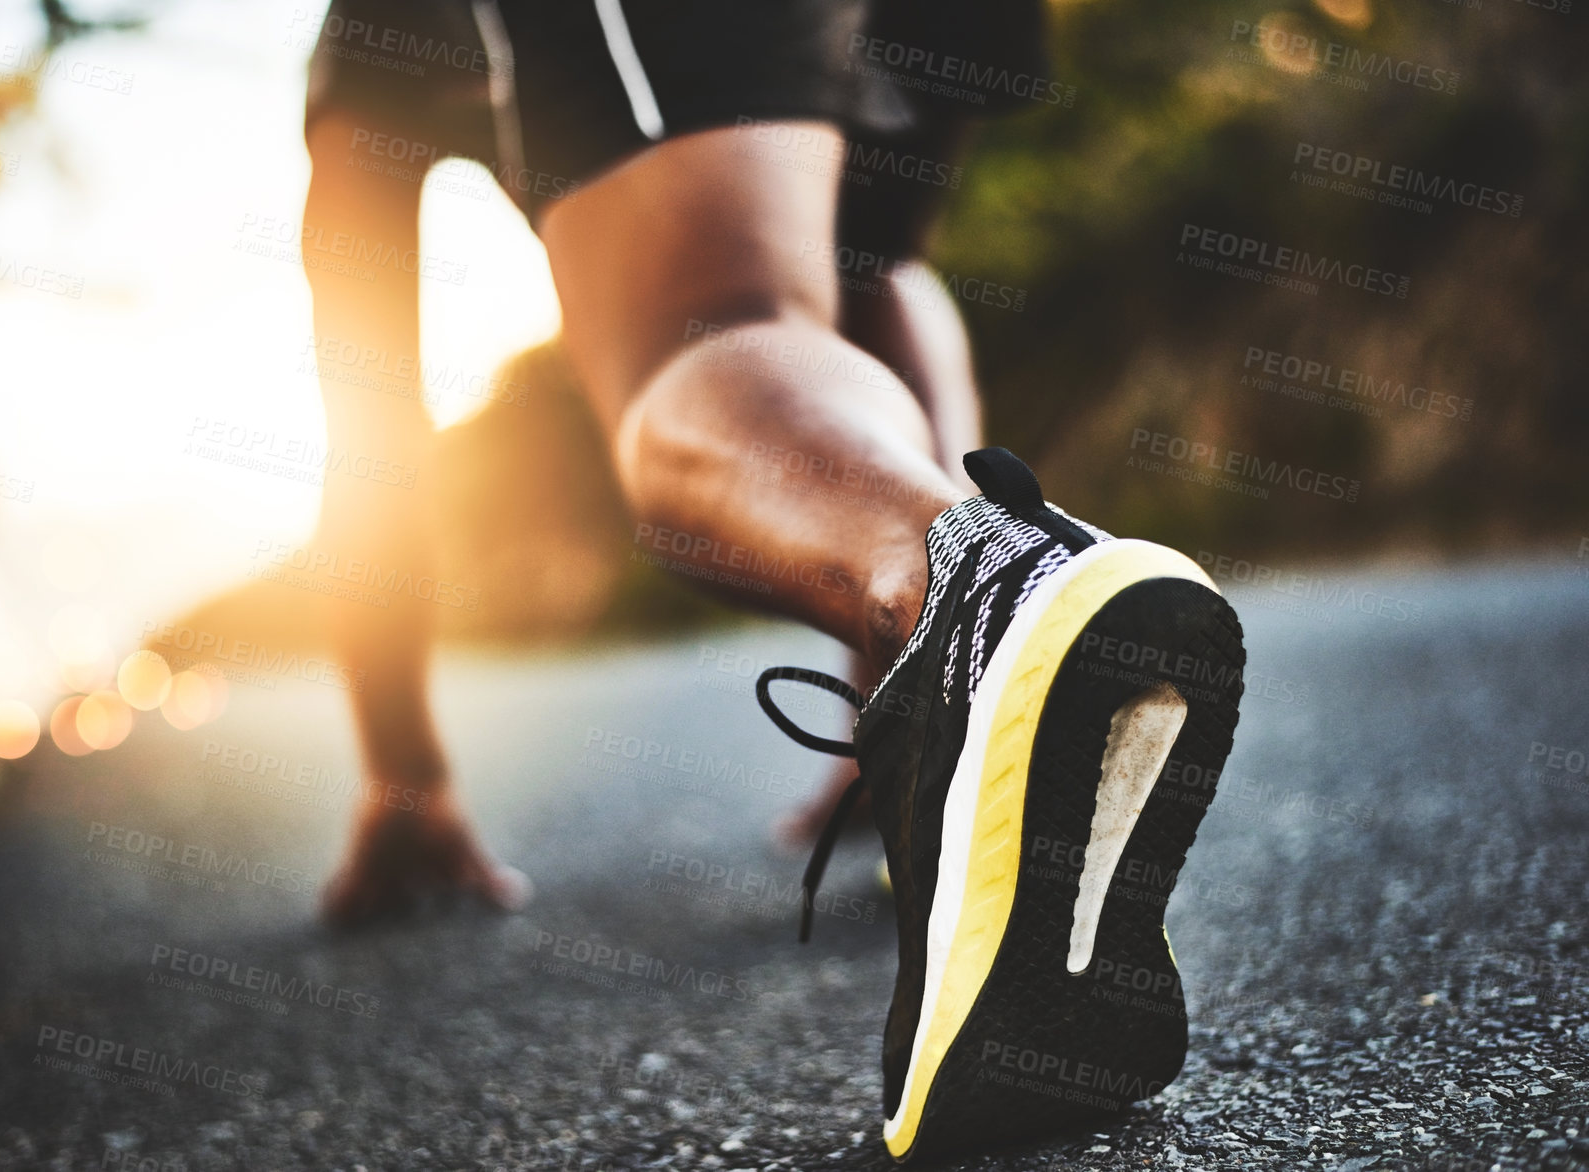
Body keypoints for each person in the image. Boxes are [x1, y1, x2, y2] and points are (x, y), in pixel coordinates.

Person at [300, 1, 1247, 1159]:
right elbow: (876, 276)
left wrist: (401, 770)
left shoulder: (360, 63)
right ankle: (956, 684)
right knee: (863, 263)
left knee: (712, 324)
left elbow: (370, 421)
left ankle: (977, 602)